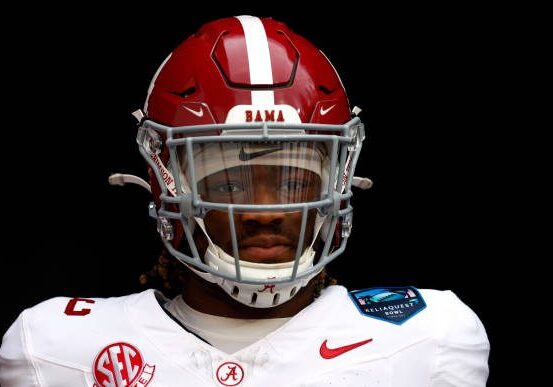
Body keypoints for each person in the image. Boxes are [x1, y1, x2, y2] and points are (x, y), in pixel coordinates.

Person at [0, 15, 489, 386]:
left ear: (338, 183)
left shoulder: (428, 340)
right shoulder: (56, 349)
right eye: (229, 184)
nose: (264, 210)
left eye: (293, 181)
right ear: (166, 182)